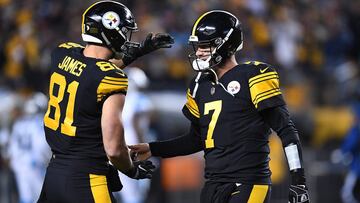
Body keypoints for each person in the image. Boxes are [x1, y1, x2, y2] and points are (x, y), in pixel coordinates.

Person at [130, 10, 310, 203]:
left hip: (248, 183)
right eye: (197, 46)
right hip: (212, 185)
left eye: (205, 46)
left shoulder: (253, 75)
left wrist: (298, 181)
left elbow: (286, 131)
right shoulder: (200, 85)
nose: (198, 52)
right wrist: (153, 149)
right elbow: (195, 140)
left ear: (226, 45)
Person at [37, 1, 174, 203]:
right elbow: (114, 149)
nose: (127, 38)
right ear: (111, 31)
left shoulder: (62, 53)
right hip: (87, 179)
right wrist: (131, 170)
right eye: (124, 32)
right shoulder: (111, 78)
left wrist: (139, 51)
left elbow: (92, 69)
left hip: (54, 174)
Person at [114, 67, 154, 203]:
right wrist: (146, 148)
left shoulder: (119, 99)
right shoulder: (140, 100)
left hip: (117, 144)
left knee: (122, 187)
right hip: (134, 144)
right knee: (135, 191)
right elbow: (139, 127)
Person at [8, 92, 51, 203]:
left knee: (25, 197)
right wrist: (45, 160)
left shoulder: (19, 123)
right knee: (38, 197)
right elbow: (41, 145)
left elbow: (12, 147)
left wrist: (16, 162)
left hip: (20, 165)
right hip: (35, 164)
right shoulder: (40, 123)